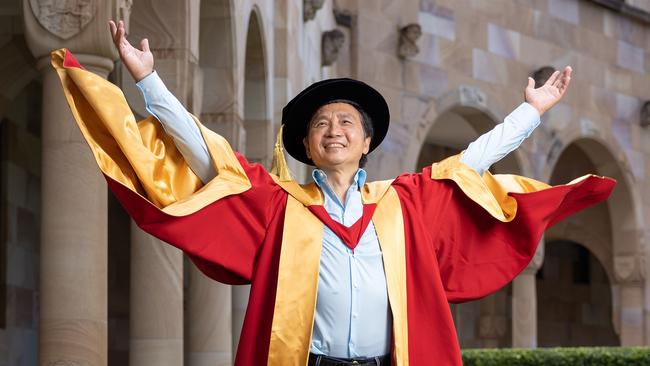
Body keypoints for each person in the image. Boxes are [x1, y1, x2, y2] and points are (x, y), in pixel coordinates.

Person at [51, 20, 614, 366]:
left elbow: (472, 161)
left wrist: (531, 112)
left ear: (366, 141)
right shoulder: (280, 205)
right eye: (322, 124)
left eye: (347, 122)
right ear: (307, 144)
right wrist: (150, 81)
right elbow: (207, 155)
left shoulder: (404, 203)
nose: (334, 130)